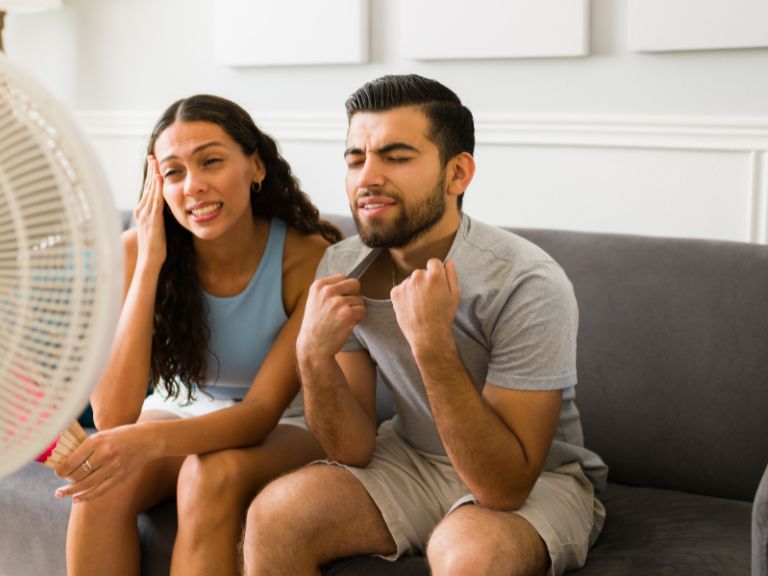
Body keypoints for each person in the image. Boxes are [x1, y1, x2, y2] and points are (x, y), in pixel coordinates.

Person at [242, 75, 608, 576]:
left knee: (471, 555)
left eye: (396, 157)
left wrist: (432, 343)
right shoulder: (341, 266)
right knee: (274, 516)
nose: (366, 177)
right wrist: (311, 355)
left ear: (458, 174)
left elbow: (504, 486)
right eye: (355, 158)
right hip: (409, 461)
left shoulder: (526, 281)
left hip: (537, 478)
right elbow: (350, 448)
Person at [53, 94, 341, 576]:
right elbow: (113, 414)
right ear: (156, 185)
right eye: (174, 172)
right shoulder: (136, 252)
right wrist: (148, 263)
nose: (194, 186)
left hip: (289, 423)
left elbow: (259, 414)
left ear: (256, 167)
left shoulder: (305, 260)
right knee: (102, 483)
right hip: (183, 406)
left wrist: (146, 444)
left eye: (211, 162)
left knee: (209, 475)